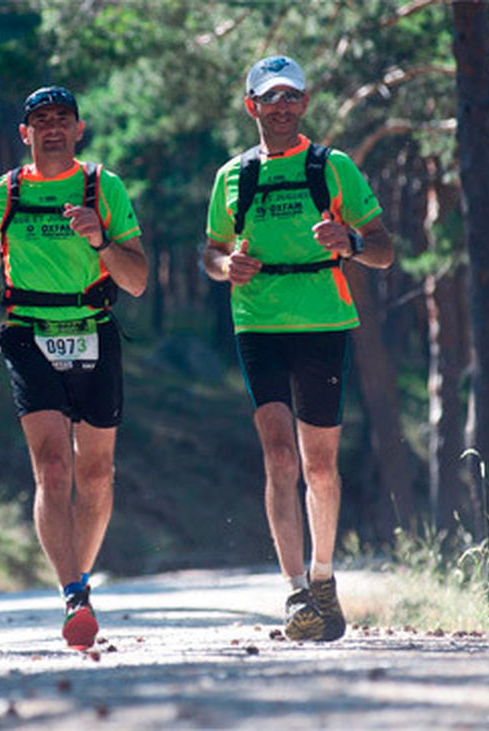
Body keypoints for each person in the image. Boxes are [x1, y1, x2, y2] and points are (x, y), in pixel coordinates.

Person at [202, 56, 394, 642]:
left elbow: (384, 249)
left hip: (323, 320)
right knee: (280, 457)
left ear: (304, 104)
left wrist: (352, 240)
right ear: (251, 105)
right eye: (270, 97)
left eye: (291, 96)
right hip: (257, 322)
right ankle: (294, 593)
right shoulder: (232, 175)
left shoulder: (332, 167)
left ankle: (324, 575)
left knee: (319, 463)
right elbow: (209, 251)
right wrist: (224, 265)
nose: (281, 106)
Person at [0, 86, 148, 650]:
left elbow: (137, 278)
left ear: (78, 129)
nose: (51, 129)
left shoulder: (102, 187)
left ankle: (80, 579)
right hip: (28, 332)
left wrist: (100, 242)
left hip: (94, 327)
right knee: (51, 467)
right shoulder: (7, 190)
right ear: (25, 134)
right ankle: (73, 593)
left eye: (62, 119)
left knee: (94, 474)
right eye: (39, 120)